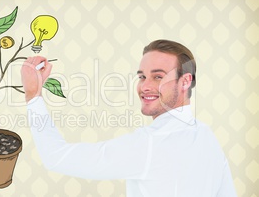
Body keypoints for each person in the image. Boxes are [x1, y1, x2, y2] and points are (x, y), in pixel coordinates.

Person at [21, 39, 237, 197]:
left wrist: (33, 96)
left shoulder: (150, 144)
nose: (145, 86)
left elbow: (55, 157)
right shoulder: (207, 137)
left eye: (158, 76)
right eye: (142, 76)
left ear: (185, 81)